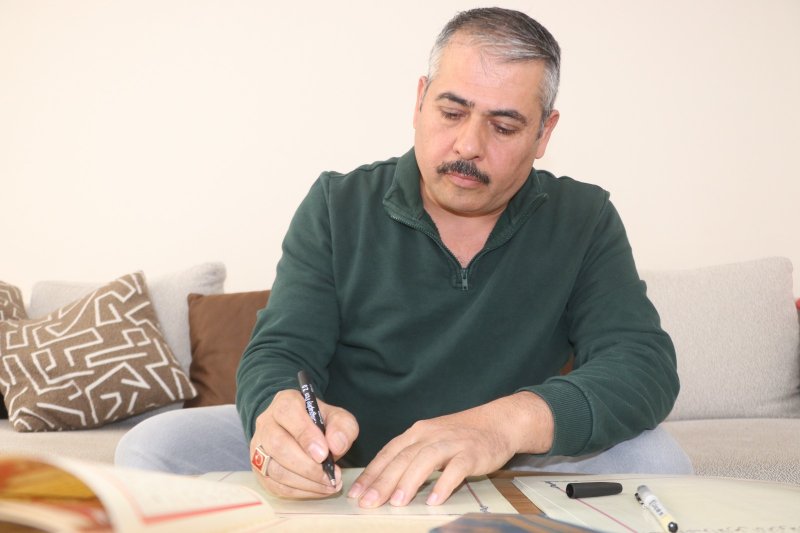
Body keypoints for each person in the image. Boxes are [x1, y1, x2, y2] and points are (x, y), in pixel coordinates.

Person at [116, 7, 692, 508]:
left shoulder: (584, 217)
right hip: (346, 459)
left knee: (659, 460)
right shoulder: (336, 204)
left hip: (510, 459)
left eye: (503, 126)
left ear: (544, 134)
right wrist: (279, 413)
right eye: (452, 112)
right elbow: (282, 350)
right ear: (419, 101)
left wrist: (502, 425)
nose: (468, 145)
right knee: (151, 447)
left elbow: (641, 363)